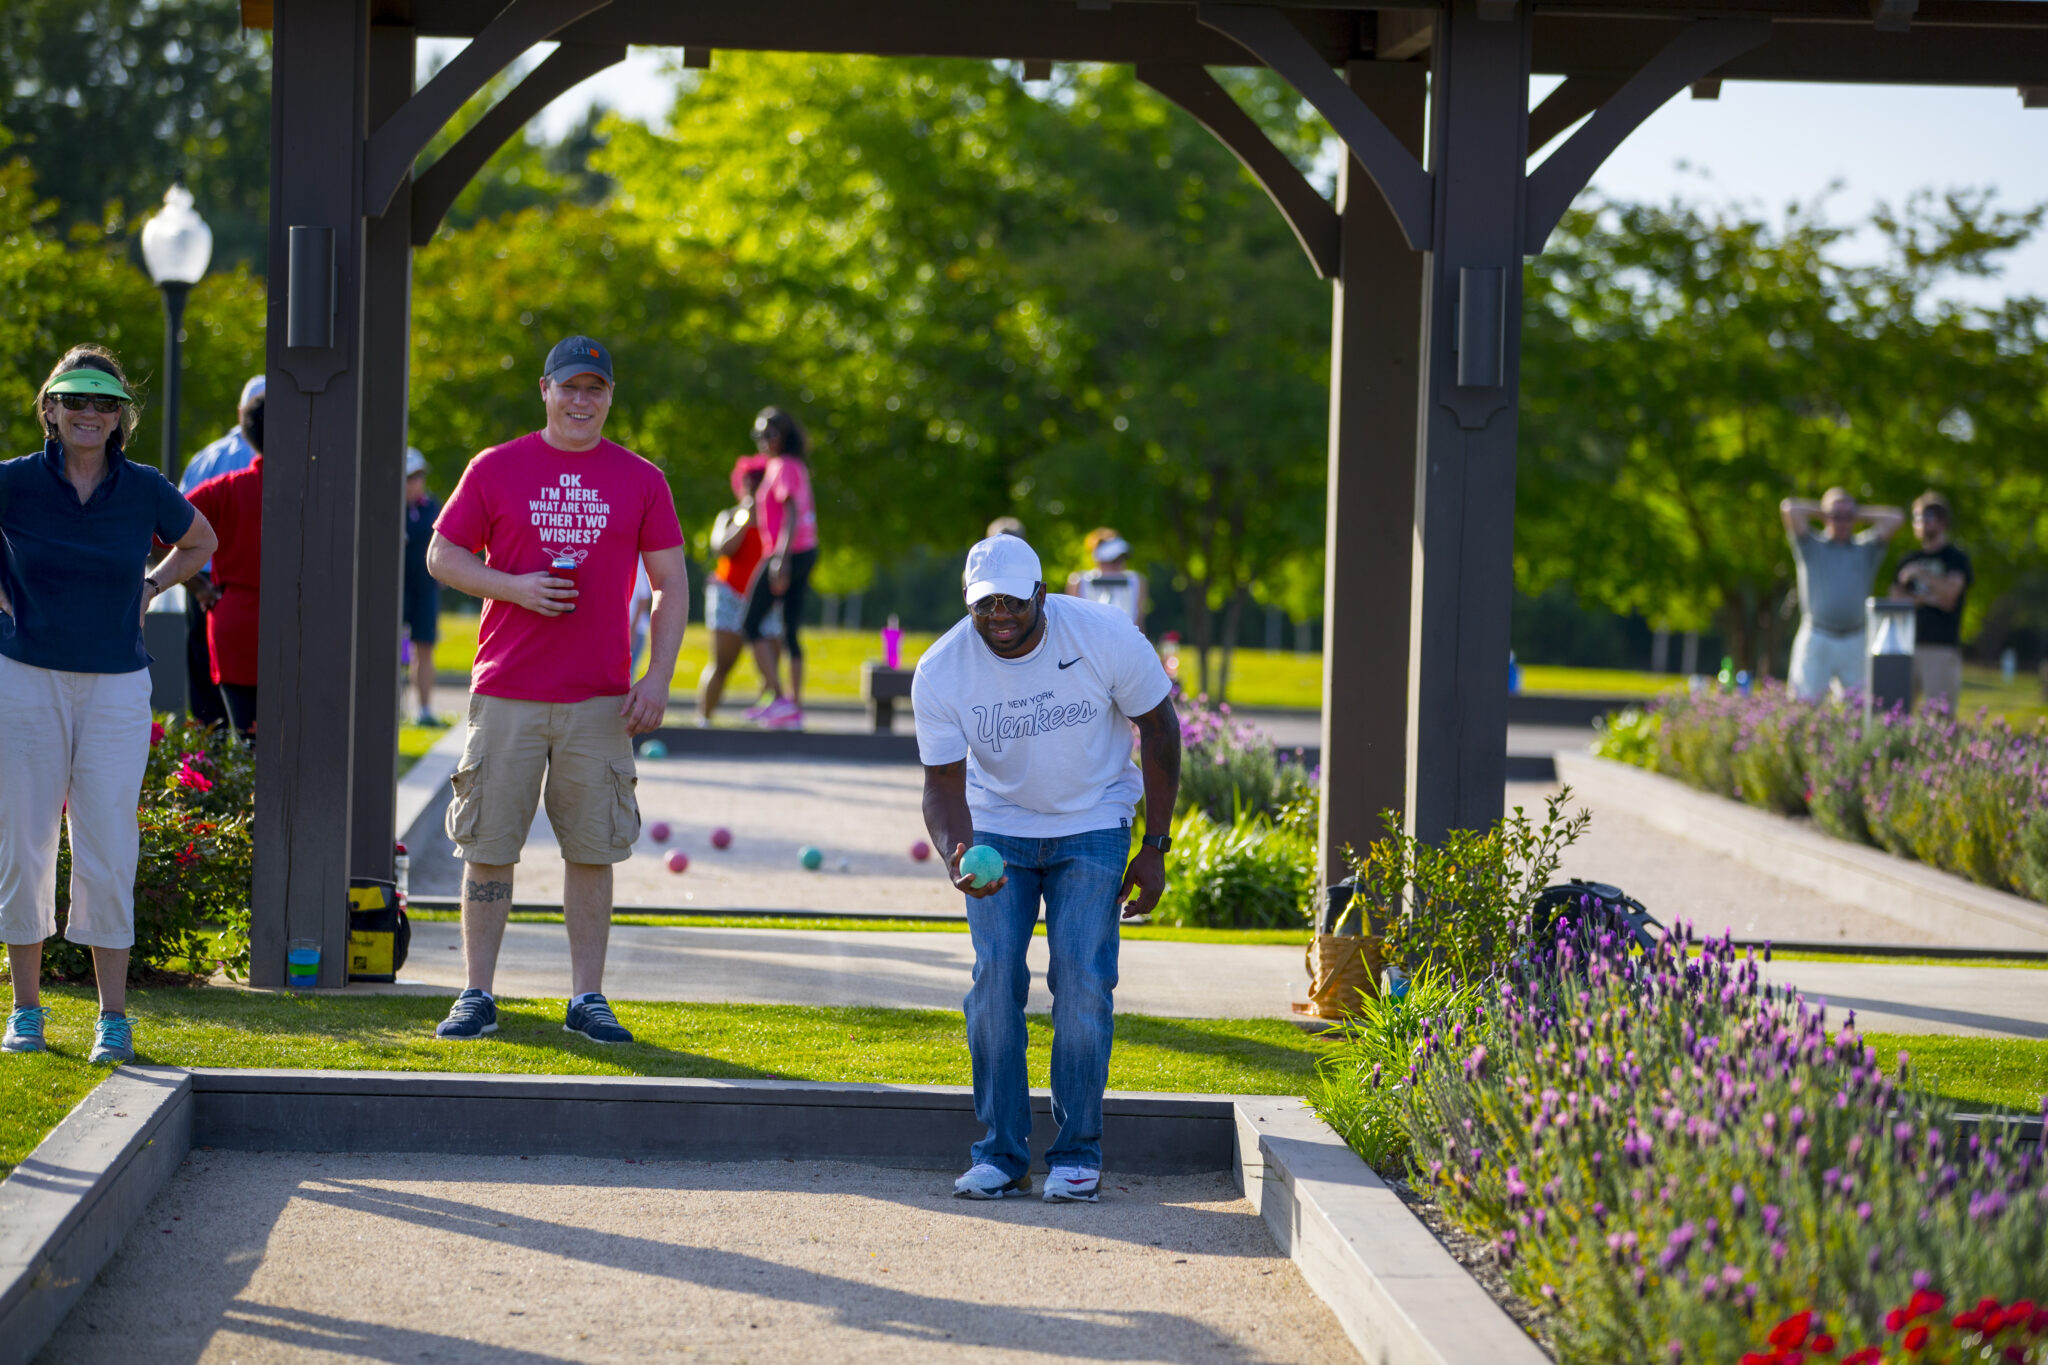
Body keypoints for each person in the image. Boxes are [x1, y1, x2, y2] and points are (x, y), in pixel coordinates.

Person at [425, 335, 687, 1044]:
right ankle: (477, 992)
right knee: (489, 843)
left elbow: (671, 584)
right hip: (507, 689)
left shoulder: (640, 479)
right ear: (544, 389)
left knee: (593, 849)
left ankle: (587, 997)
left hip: (600, 698)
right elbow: (441, 555)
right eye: (569, 386)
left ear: (609, 397)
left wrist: (657, 678)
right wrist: (515, 588)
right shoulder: (496, 467)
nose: (581, 400)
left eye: (594, 389)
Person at [912, 535, 1182, 1202]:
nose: (999, 614)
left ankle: (1077, 1150)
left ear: (1041, 594)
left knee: (1083, 980)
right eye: (985, 604)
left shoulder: (1103, 632)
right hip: (998, 824)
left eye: (1012, 601)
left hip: (1093, 818)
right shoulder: (943, 667)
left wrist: (1156, 845)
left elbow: (1162, 728)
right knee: (994, 978)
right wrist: (956, 852)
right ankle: (1003, 1153)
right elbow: (942, 782)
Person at [1, 346, 218, 1064]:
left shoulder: (145, 487)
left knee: (107, 844)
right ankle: (26, 1010)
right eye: (75, 401)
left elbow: (200, 541)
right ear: (51, 410)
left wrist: (154, 585)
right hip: (26, 677)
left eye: (103, 403)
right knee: (23, 844)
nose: (89, 414)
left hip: (117, 684)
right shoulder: (17, 482)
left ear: (121, 415)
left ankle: (113, 1017)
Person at [178, 374, 264, 730]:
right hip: (272, 613)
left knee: (213, 717)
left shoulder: (209, 462)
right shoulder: (309, 474)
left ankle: (211, 776)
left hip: (217, 600)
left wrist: (197, 585)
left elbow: (166, 526)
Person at [1780, 487, 1903, 700]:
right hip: (1817, 636)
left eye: (1848, 517)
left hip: (1855, 639)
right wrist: (1826, 510)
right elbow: (1789, 509)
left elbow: (1896, 517)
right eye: (1836, 516)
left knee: (1859, 708)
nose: (1842, 521)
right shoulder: (1811, 545)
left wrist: (1857, 513)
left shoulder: (1866, 548)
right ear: (1826, 517)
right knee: (1804, 703)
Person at [741, 408, 817, 731]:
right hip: (804, 550)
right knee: (789, 628)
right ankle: (792, 708)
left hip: (790, 552)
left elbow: (791, 512)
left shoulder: (784, 465)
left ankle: (781, 699)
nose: (763, 441)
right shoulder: (789, 465)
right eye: (758, 435)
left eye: (769, 435)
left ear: (784, 437)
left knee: (750, 622)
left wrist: (780, 559)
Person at [697, 457, 783, 725]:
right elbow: (722, 548)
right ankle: (704, 719)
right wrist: (745, 519)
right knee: (722, 663)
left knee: (769, 667)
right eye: (750, 483)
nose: (754, 490)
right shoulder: (731, 515)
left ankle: (767, 716)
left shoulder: (777, 519)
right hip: (729, 594)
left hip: (765, 596)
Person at [1892, 490, 1972, 709]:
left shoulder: (1955, 558)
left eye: (1927, 517)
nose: (1920, 523)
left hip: (1941, 648)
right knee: (1896, 714)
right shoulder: (1908, 559)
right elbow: (1896, 601)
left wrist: (1921, 575)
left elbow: (1950, 596)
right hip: (1905, 646)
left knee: (1940, 717)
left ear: (1943, 521)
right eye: (1916, 517)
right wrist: (1930, 598)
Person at [403, 447, 444, 727]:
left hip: (425, 589)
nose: (416, 482)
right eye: (410, 477)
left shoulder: (432, 508)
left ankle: (424, 710)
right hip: (394, 589)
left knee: (424, 648)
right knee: (388, 650)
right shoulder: (387, 509)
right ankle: (392, 709)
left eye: (419, 476)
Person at [1067, 527, 1146, 632]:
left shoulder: (1136, 581)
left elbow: (1139, 624)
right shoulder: (1078, 581)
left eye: (1121, 559)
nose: (1119, 564)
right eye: (1113, 560)